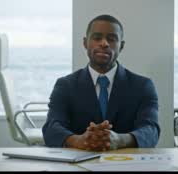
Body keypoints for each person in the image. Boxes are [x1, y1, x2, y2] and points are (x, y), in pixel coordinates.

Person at [42, 14, 160, 150]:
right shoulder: (65, 85)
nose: (104, 43)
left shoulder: (143, 86)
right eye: (97, 38)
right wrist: (79, 141)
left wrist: (121, 140)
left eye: (112, 39)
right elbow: (51, 127)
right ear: (85, 43)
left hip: (126, 166)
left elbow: (151, 130)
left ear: (121, 46)